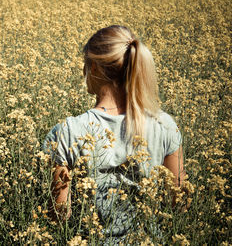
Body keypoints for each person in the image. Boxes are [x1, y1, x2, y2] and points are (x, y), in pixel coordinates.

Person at [43, 25, 185, 241]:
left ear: (95, 69)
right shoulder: (165, 125)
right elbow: (178, 203)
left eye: (86, 64)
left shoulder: (67, 131)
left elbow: (59, 214)